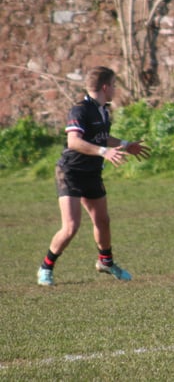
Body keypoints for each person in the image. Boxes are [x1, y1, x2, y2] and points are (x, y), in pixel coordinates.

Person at [36, 66, 151, 286]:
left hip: (91, 172)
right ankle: (46, 267)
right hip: (70, 172)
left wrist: (126, 145)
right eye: (114, 85)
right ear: (106, 87)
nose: (115, 89)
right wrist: (103, 152)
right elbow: (74, 142)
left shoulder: (102, 110)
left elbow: (102, 138)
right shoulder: (80, 110)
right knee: (71, 226)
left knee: (103, 221)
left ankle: (105, 262)